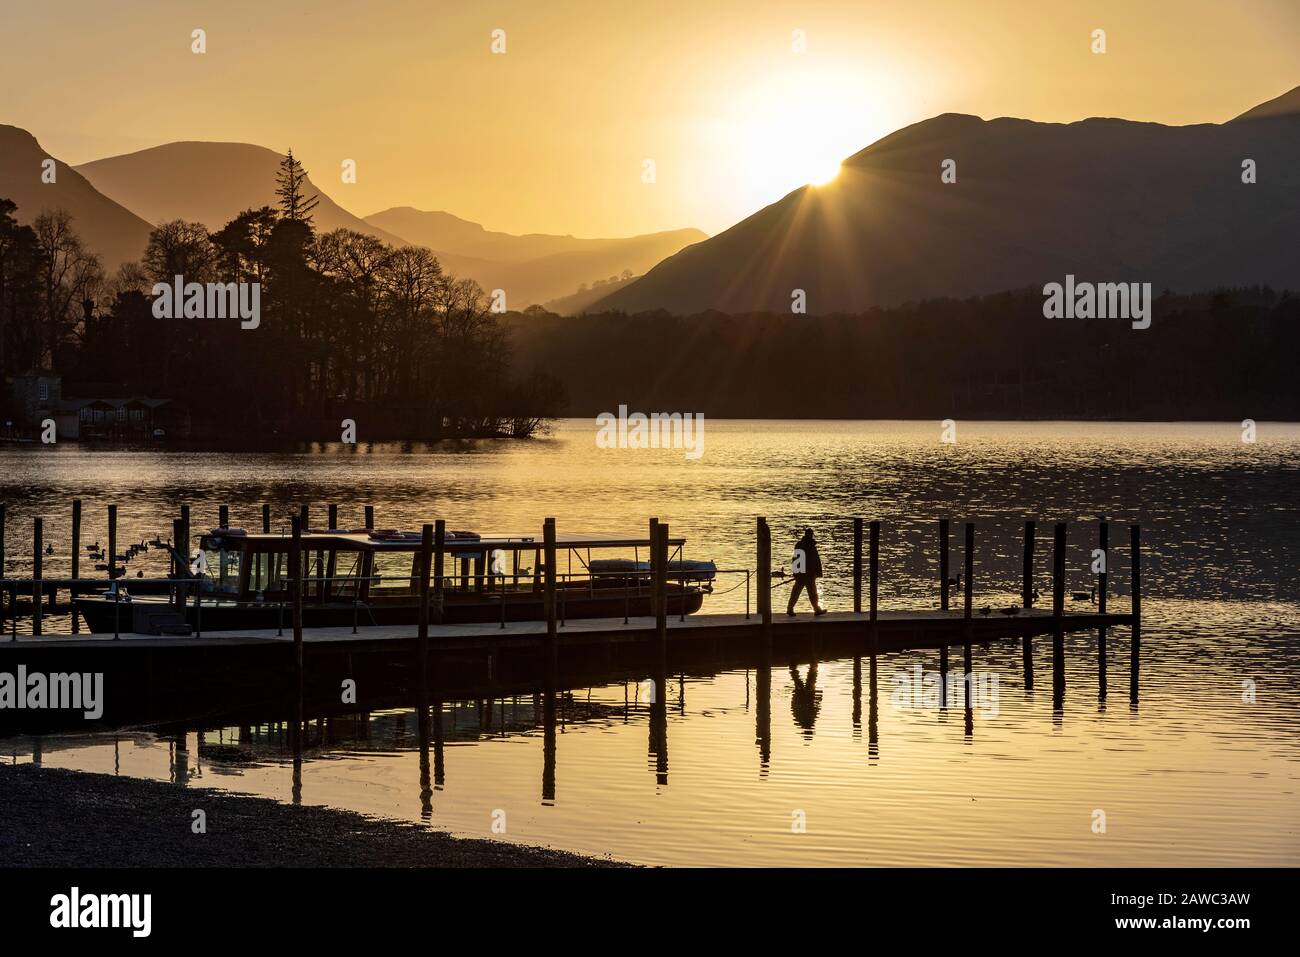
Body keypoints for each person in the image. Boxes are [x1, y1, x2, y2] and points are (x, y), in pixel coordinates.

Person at [787, 527, 827, 616]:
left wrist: (796, 572)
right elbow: (809, 560)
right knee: (809, 593)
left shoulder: (801, 545)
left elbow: (796, 559)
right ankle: (816, 609)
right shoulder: (808, 545)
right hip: (807, 574)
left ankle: (791, 608)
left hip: (805, 573)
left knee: (800, 592)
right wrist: (799, 573)